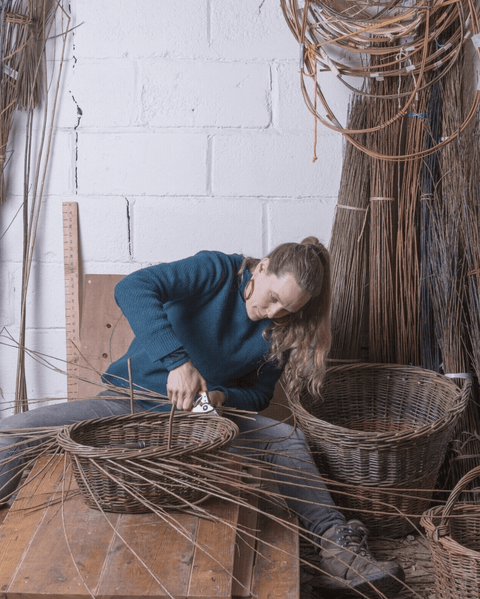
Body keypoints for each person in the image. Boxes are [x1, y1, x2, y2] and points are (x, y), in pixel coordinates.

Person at [0, 237, 405, 596]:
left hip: (203, 419)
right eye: (275, 298)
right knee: (11, 431)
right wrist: (178, 362)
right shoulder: (216, 270)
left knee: (285, 439)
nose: (275, 312)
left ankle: (341, 550)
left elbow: (261, 395)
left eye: (288, 309)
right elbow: (133, 288)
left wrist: (221, 395)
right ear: (262, 267)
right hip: (126, 403)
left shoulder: (284, 327)